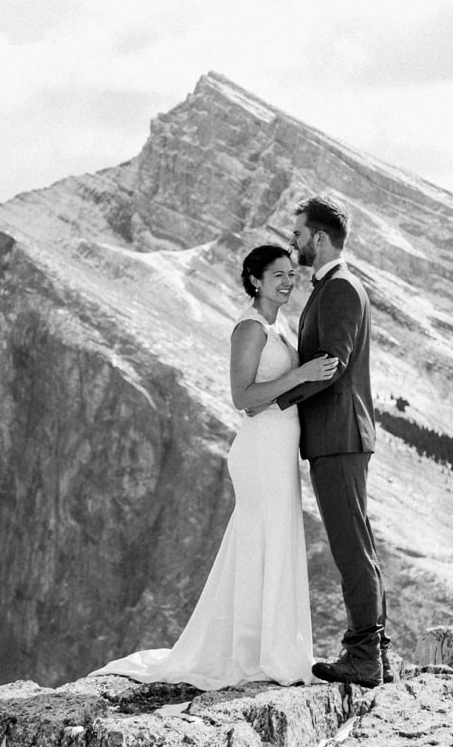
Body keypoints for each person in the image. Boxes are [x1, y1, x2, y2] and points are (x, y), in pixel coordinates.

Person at [92, 244, 338, 688]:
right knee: (262, 541)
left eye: (290, 274)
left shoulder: (274, 325)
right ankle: (252, 654)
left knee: (271, 540)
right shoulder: (249, 328)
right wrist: (302, 375)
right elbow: (242, 397)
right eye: (277, 275)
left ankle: (268, 648)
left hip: (278, 448)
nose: (287, 281)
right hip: (260, 449)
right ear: (255, 280)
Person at [273, 195, 390, 687]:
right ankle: (375, 649)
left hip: (338, 436)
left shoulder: (340, 288)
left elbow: (334, 362)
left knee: (350, 547)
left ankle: (364, 656)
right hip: (338, 435)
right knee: (357, 543)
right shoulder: (335, 286)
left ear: (319, 239)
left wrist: (277, 399)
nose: (293, 243)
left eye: (298, 235)